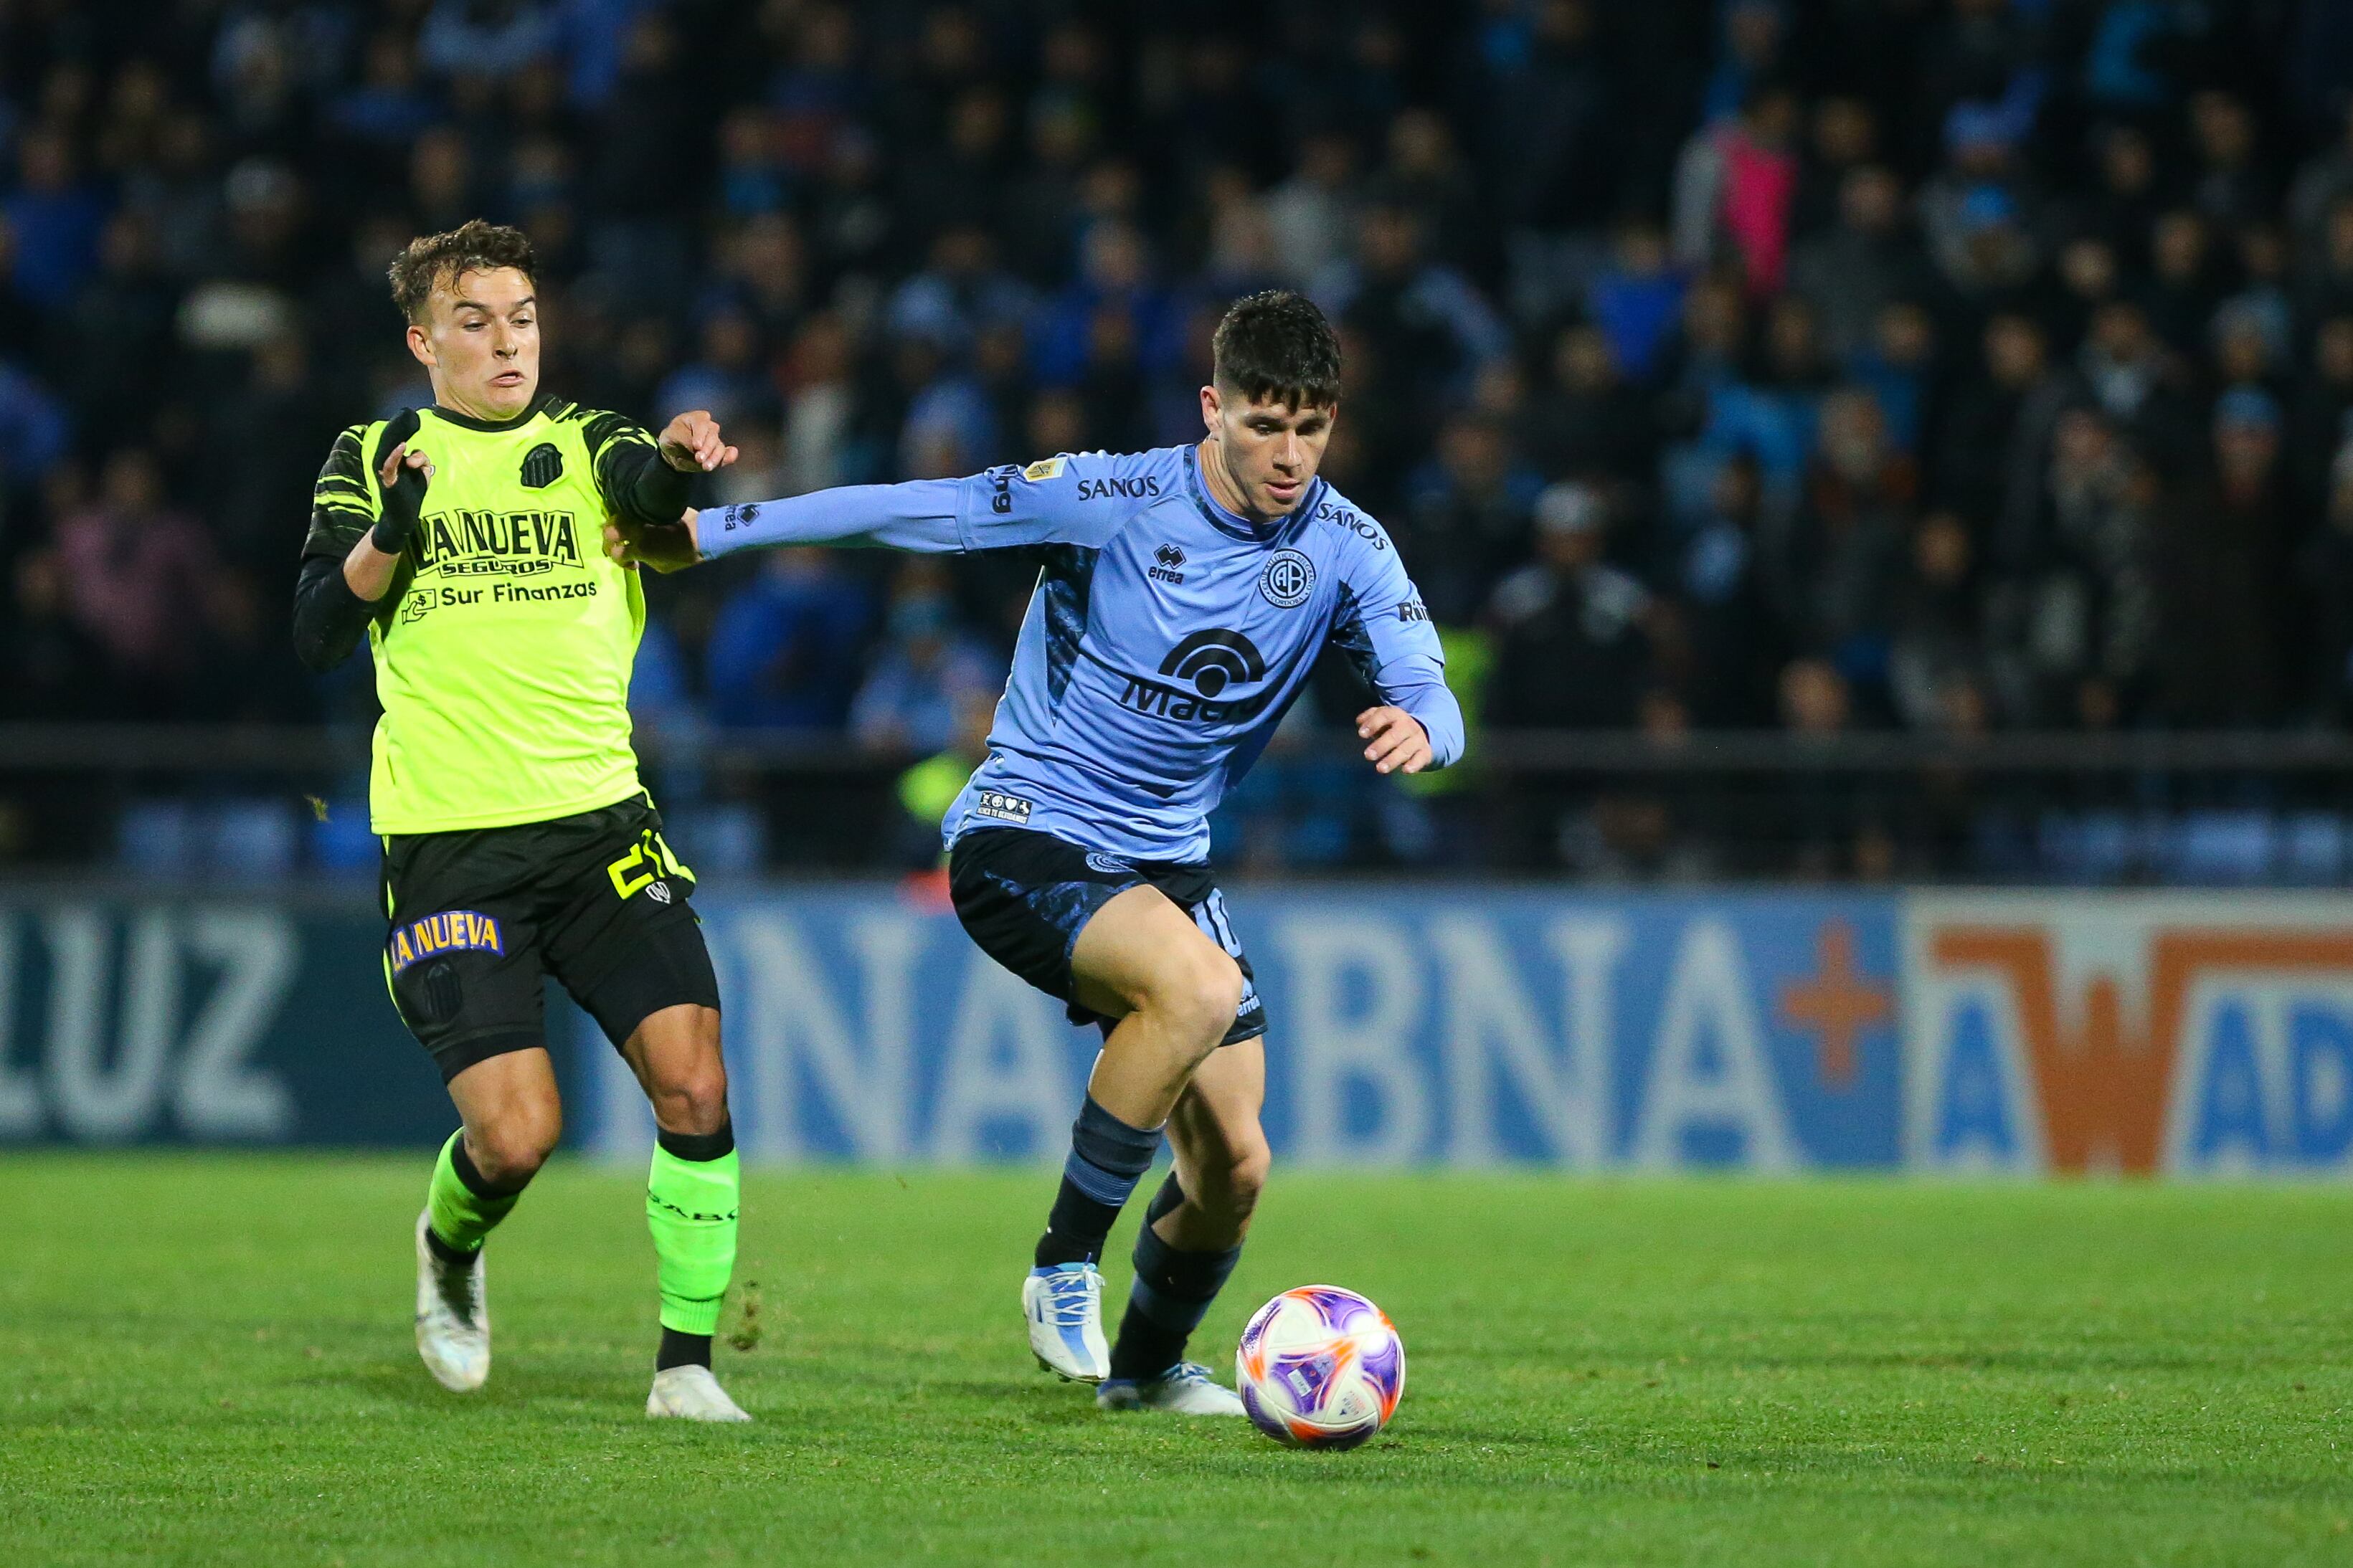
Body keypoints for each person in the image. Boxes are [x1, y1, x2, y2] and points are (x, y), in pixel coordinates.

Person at [607, 290, 1464, 1415]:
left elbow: (1430, 688)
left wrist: (1424, 729)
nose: (1289, 455)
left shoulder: (1347, 549)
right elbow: (918, 509)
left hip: (1164, 867)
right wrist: (712, 533)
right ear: (1213, 409)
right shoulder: (1110, 498)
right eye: (1264, 424)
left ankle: (1148, 1372)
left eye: (1311, 428)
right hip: (1028, 829)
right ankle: (1064, 1263)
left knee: (1234, 1173)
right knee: (1200, 988)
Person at [288, 220, 753, 1422]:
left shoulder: (588, 439)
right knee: (517, 1140)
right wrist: (394, 529)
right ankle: (449, 1252)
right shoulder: (377, 452)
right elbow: (315, 634)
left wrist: (682, 461)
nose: (508, 342)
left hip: (601, 830)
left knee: (693, 1089)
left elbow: (646, 489)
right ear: (423, 339)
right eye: (477, 321)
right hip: (450, 848)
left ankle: (687, 1367)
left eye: (524, 317)